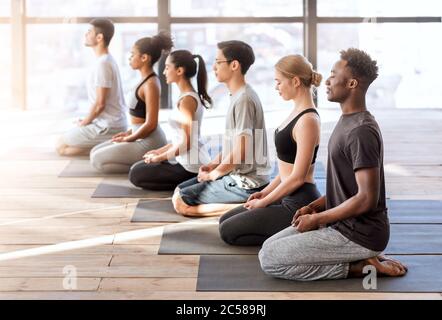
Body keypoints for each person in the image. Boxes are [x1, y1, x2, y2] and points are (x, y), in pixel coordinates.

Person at [259, 48, 408, 281]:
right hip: (338, 224)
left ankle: (358, 266)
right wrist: (316, 207)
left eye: (333, 74)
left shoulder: (361, 131)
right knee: (269, 246)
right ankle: (358, 258)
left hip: (361, 235)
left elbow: (367, 198)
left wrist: (318, 219)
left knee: (270, 259)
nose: (326, 80)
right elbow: (346, 188)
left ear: (351, 84)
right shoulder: (346, 121)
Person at [219, 54, 322, 246]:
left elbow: (297, 177)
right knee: (224, 220)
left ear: (296, 81)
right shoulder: (296, 111)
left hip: (298, 203)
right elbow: (286, 171)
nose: (276, 87)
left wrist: (264, 203)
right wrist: (265, 193)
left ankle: (299, 236)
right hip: (285, 193)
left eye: (278, 82)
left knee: (228, 231)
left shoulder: (308, 121)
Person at [172, 40, 271, 217]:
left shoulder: (244, 100)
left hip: (248, 183)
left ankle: (249, 206)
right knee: (179, 190)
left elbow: (241, 151)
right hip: (236, 175)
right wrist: (212, 165)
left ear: (234, 65)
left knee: (181, 202)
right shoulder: (237, 95)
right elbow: (231, 146)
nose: (214, 67)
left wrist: (215, 174)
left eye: (218, 62)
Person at [89, 32, 173, 173]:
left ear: (144, 58)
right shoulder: (143, 80)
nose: (130, 58)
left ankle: (146, 166)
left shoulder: (151, 83)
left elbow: (151, 123)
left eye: (133, 54)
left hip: (150, 141)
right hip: (139, 135)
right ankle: (143, 165)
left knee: (98, 160)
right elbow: (139, 120)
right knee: (94, 152)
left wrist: (129, 139)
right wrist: (128, 134)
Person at [128, 49, 211, 190]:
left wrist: (159, 158)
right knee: (137, 168)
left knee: (136, 173)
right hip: (184, 160)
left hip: (190, 167)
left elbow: (186, 143)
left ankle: (192, 183)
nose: (164, 72)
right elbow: (179, 140)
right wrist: (159, 152)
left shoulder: (187, 101)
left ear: (179, 71)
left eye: (167, 67)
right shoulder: (185, 97)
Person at [56, 18, 127, 156]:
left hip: (109, 127)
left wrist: (84, 123)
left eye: (89, 32)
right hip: (105, 123)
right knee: (64, 142)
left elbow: (100, 104)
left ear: (99, 37)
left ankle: (106, 145)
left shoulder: (103, 64)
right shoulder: (104, 61)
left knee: (61, 146)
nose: (86, 35)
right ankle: (105, 146)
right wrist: (86, 120)